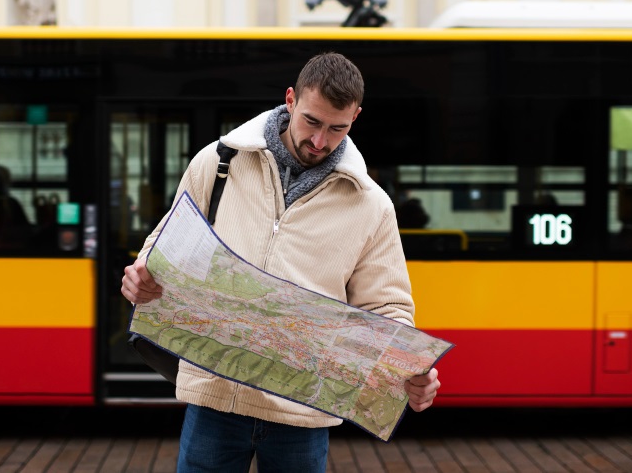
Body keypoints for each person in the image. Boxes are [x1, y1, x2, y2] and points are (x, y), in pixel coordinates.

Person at [121, 53, 440, 473]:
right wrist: (142, 276)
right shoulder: (219, 162)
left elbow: (387, 308)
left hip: (302, 412)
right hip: (215, 396)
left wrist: (410, 366)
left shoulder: (373, 205)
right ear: (290, 99)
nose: (321, 141)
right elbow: (164, 245)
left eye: (337, 128)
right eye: (312, 121)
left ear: (356, 117)